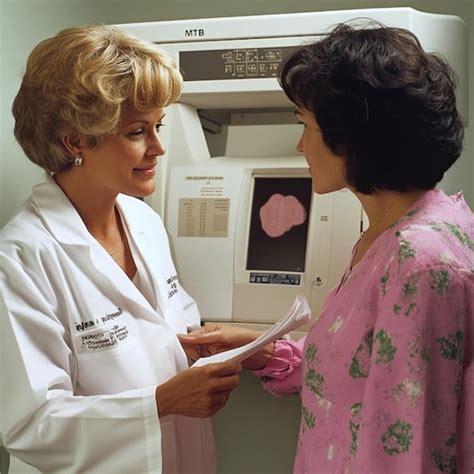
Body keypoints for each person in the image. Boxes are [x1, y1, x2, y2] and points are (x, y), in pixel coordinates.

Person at [179, 23, 474, 473]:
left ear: (351, 138)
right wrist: (266, 351)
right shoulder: (390, 234)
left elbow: (407, 451)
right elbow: (366, 376)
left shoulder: (420, 264)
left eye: (305, 125)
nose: (300, 145)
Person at [0, 25, 241, 473]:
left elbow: (165, 327)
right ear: (75, 141)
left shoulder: (143, 221)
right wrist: (160, 403)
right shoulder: (21, 258)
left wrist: (207, 344)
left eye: (158, 126)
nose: (159, 148)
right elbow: (30, 425)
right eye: (136, 132)